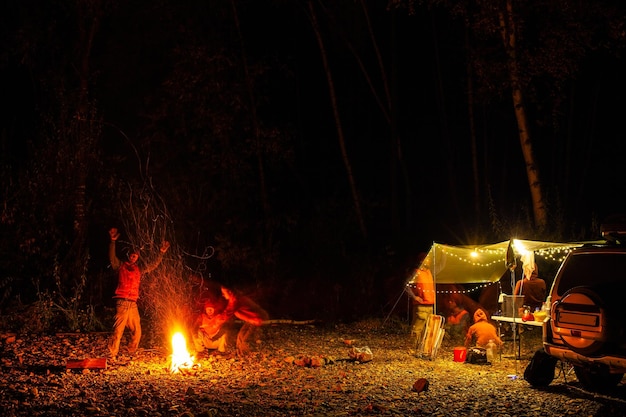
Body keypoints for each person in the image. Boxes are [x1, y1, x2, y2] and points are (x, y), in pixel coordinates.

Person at [107, 227, 170, 360]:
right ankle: (112, 354)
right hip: (122, 302)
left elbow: (153, 265)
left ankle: (130, 352)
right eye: (132, 255)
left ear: (137, 257)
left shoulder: (139, 269)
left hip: (133, 304)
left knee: (137, 331)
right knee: (118, 330)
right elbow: (112, 257)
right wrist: (113, 242)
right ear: (128, 256)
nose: (133, 257)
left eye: (135, 256)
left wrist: (161, 253)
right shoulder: (121, 266)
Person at [193, 285, 269, 357]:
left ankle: (245, 354)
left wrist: (213, 323)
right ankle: (240, 353)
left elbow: (227, 314)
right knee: (241, 336)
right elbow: (233, 312)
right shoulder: (234, 299)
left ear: (229, 291)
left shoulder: (235, 300)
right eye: (208, 309)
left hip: (256, 319)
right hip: (251, 319)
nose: (223, 295)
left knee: (244, 338)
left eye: (224, 292)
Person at [405, 255, 435, 344]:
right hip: (421, 305)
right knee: (417, 328)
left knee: (428, 328)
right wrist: (414, 297)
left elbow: (441, 266)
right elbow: (406, 285)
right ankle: (413, 347)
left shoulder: (429, 272)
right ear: (422, 261)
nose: (428, 262)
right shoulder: (416, 272)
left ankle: (423, 348)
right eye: (427, 260)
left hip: (430, 304)